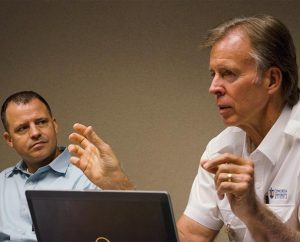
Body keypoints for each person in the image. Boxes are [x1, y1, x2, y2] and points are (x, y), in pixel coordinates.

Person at [177, 15, 300, 241]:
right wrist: (119, 186)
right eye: (213, 74)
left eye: (228, 74)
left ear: (271, 80)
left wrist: (255, 213)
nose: (213, 88)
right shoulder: (221, 148)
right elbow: (190, 235)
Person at [0, 91, 134, 241]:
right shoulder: (2, 183)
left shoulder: (92, 176)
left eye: (41, 122)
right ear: (9, 139)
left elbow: (136, 231)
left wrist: (118, 185)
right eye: (23, 128)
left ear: (55, 125)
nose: (35, 133)